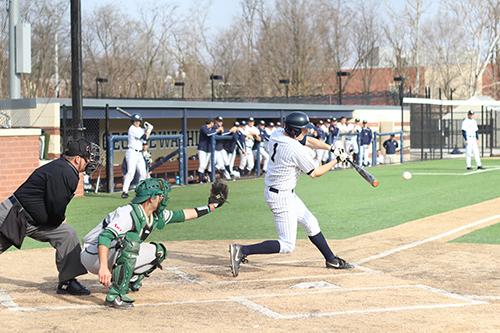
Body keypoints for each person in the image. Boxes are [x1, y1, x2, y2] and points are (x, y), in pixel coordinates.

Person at [229, 112, 353, 277]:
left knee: (311, 223)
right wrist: (337, 160)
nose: (306, 132)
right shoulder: (293, 149)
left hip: (285, 193)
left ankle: (331, 259)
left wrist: (331, 148)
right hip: (280, 197)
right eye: (303, 129)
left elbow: (307, 141)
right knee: (287, 244)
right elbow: (315, 173)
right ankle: (242, 250)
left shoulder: (279, 133)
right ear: (295, 131)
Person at [80, 178, 221, 308]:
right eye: (161, 195)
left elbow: (181, 215)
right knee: (131, 244)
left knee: (158, 251)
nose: (164, 198)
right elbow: (104, 237)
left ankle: (128, 281)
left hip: (110, 252)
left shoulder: (153, 214)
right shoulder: (127, 213)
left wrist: (210, 207)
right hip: (93, 255)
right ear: (151, 198)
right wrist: (103, 268)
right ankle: (115, 295)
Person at [0, 138, 100, 295]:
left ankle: (68, 281)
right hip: (14, 215)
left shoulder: (65, 168)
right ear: (77, 159)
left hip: (34, 220)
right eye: (87, 159)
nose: (90, 162)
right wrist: (59, 219)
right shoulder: (65, 171)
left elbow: (52, 206)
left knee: (67, 234)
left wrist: (58, 220)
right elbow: (56, 207)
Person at [122, 114, 153, 198]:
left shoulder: (139, 129)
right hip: (131, 152)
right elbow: (144, 137)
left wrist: (148, 129)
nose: (137, 122)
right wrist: (149, 130)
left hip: (139, 153)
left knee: (143, 173)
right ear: (133, 121)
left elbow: (145, 139)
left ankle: (142, 191)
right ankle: (125, 191)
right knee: (131, 172)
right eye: (135, 121)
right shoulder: (131, 129)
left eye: (138, 121)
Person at [197, 119, 216, 183]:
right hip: (202, 149)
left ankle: (207, 178)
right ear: (210, 123)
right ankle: (200, 180)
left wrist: (218, 130)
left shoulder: (213, 129)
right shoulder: (203, 127)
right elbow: (208, 134)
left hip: (209, 149)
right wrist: (217, 130)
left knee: (208, 165)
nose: (213, 125)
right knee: (202, 165)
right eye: (213, 123)